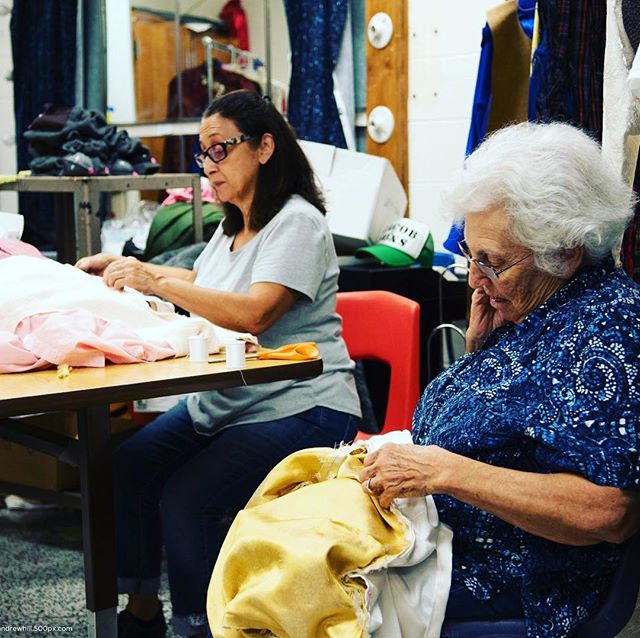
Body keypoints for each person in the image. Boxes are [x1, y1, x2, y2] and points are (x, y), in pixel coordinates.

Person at [76, 90, 361, 637]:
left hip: (303, 404)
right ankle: (140, 610)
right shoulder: (234, 224)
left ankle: (198, 627)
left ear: (264, 147)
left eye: (220, 149)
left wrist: (152, 279)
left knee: (190, 499)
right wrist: (130, 266)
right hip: (232, 400)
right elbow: (202, 285)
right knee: (128, 465)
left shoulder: (296, 224)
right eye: (202, 153)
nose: (209, 166)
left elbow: (255, 312)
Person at [359, 122, 640, 638]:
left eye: (490, 262)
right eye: (470, 255)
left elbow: (607, 510)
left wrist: (445, 473)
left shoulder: (607, 328)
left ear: (565, 251)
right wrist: (477, 353)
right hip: (445, 547)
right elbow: (509, 415)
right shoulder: (536, 307)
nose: (473, 279)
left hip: (514, 584)